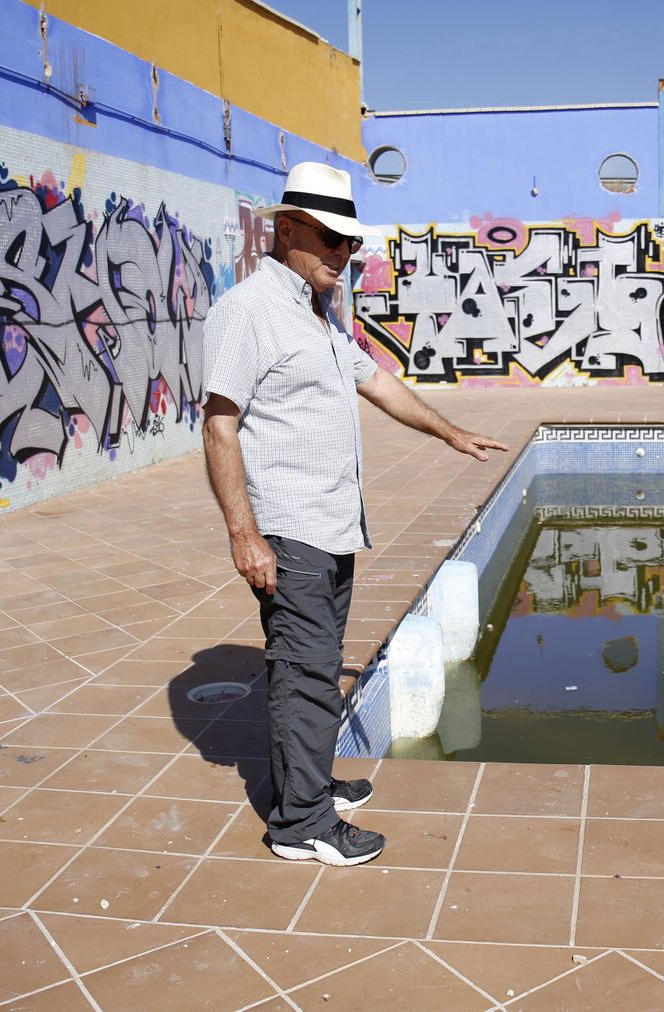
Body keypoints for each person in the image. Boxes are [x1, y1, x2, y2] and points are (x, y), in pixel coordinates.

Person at [201, 162, 506, 866]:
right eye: (331, 239)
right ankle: (300, 824)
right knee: (302, 672)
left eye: (350, 243)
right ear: (287, 230)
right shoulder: (247, 311)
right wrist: (244, 535)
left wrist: (450, 430)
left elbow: (380, 385)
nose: (344, 253)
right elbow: (219, 424)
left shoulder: (319, 310)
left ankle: (310, 785)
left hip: (333, 523)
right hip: (288, 526)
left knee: (315, 665)